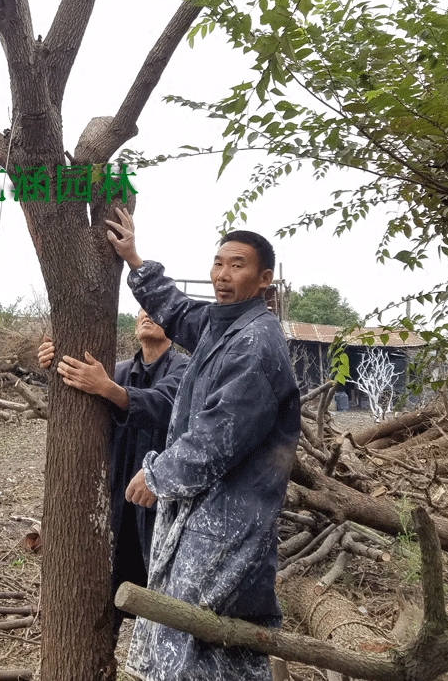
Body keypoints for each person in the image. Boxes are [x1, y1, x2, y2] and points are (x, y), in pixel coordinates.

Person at [105, 207, 300, 681]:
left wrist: (159, 475)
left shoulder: (256, 344)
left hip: (230, 520)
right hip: (207, 512)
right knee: (213, 634)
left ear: (263, 279)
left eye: (237, 265)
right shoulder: (224, 327)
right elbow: (176, 310)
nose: (222, 275)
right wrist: (133, 257)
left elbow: (221, 433)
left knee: (193, 624)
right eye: (218, 263)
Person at [37, 310, 188, 642]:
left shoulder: (186, 371)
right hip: (116, 508)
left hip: (160, 509)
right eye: (142, 311)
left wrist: (108, 389)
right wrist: (55, 365)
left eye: (156, 311)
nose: (147, 315)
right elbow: (79, 396)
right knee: (108, 598)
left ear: (174, 325)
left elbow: (163, 404)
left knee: (164, 603)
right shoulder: (117, 371)